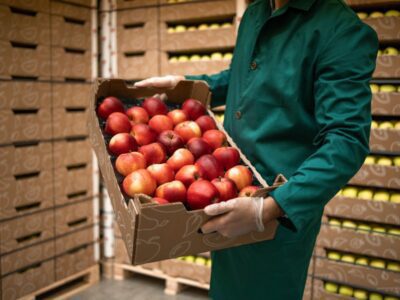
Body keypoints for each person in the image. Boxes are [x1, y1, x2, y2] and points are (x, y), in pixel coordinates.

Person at [134, 0, 378, 298]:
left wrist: (268, 208)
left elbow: (347, 141)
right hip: (228, 190)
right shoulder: (256, 13)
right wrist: (190, 85)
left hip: (276, 209)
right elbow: (245, 75)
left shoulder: (342, 31)